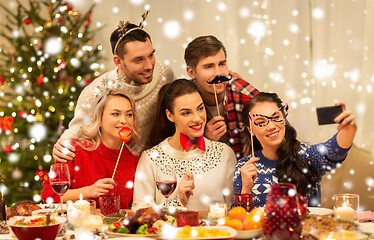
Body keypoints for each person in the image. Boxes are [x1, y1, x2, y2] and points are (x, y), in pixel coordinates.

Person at [53, 13, 174, 162]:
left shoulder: (164, 74)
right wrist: (62, 145)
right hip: (114, 169)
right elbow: (76, 133)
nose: (149, 66)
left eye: (151, 55)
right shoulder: (96, 91)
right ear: (118, 62)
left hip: (155, 165)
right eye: (138, 60)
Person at [233, 92, 357, 207]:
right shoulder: (244, 167)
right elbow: (238, 220)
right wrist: (246, 189)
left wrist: (349, 129)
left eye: (276, 117)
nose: (271, 126)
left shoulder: (306, 155)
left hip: (307, 229)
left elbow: (334, 151)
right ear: (251, 130)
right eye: (261, 122)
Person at [133, 79, 236, 211]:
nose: (197, 118)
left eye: (200, 109)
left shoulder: (224, 153)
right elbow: (141, 214)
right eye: (186, 113)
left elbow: (232, 211)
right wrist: (178, 202)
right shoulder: (151, 158)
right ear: (170, 115)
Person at [41, 89, 140, 209]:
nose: (124, 120)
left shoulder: (135, 160)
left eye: (129, 114)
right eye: (115, 114)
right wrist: (89, 191)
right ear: (99, 120)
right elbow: (48, 196)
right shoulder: (75, 151)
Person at [184, 35, 259, 160]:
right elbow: (176, 152)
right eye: (208, 66)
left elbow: (278, 130)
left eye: (222, 64)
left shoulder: (245, 95)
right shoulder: (184, 100)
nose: (218, 73)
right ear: (191, 72)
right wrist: (205, 141)